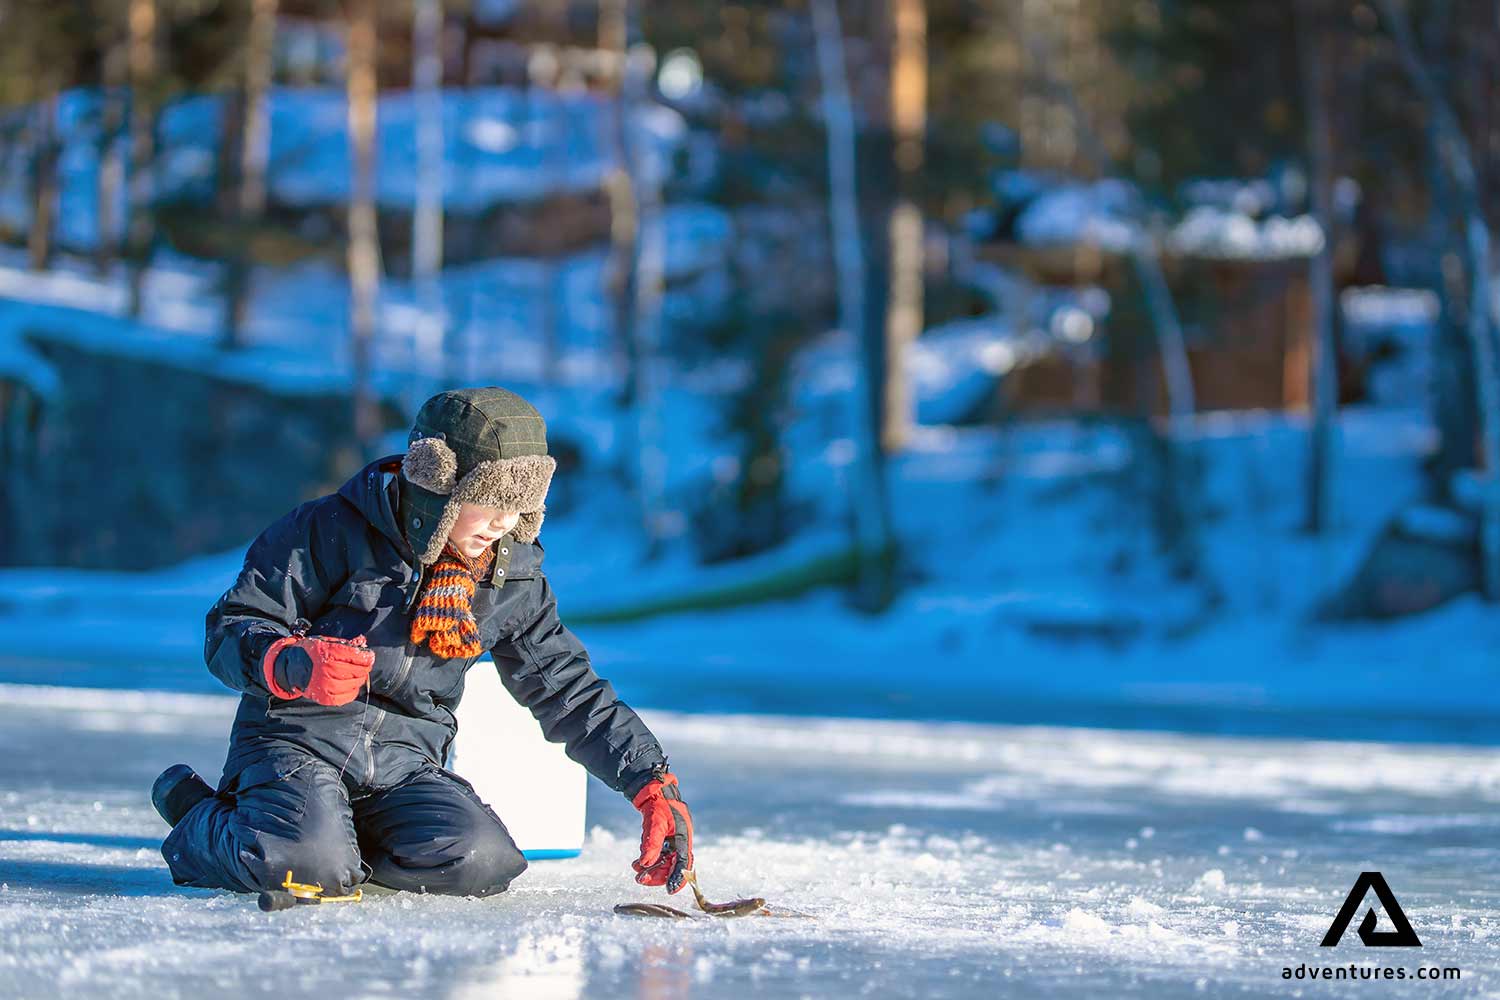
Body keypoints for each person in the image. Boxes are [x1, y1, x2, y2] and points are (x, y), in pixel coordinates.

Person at [152, 386, 694, 899]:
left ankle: (313, 838)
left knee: (482, 862)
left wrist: (649, 779)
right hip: (296, 743)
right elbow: (233, 625)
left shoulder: (511, 578)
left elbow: (567, 688)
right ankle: (206, 819)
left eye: (522, 505)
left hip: (404, 763)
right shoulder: (327, 530)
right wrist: (289, 661)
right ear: (436, 481)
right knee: (307, 869)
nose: (504, 523)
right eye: (489, 499)